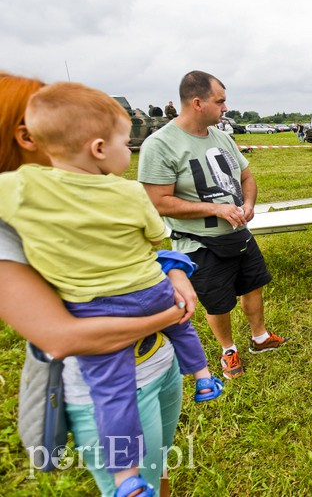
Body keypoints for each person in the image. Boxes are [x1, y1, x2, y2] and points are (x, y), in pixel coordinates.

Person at [0, 82, 224, 493]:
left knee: (151, 463)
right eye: (127, 142)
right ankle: (205, 376)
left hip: (150, 356)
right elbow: (63, 338)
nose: (133, 149)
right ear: (100, 148)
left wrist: (172, 271)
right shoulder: (126, 191)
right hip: (140, 326)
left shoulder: (22, 190)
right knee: (142, 441)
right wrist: (170, 311)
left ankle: (127, 476)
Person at [139, 70, 285, 380]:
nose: (225, 107)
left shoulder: (222, 137)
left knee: (253, 284)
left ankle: (259, 337)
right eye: (220, 101)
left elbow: (246, 177)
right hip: (198, 241)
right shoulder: (160, 145)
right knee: (218, 301)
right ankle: (228, 351)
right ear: (197, 103)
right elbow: (159, 202)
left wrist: (248, 204)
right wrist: (214, 209)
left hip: (238, 233)